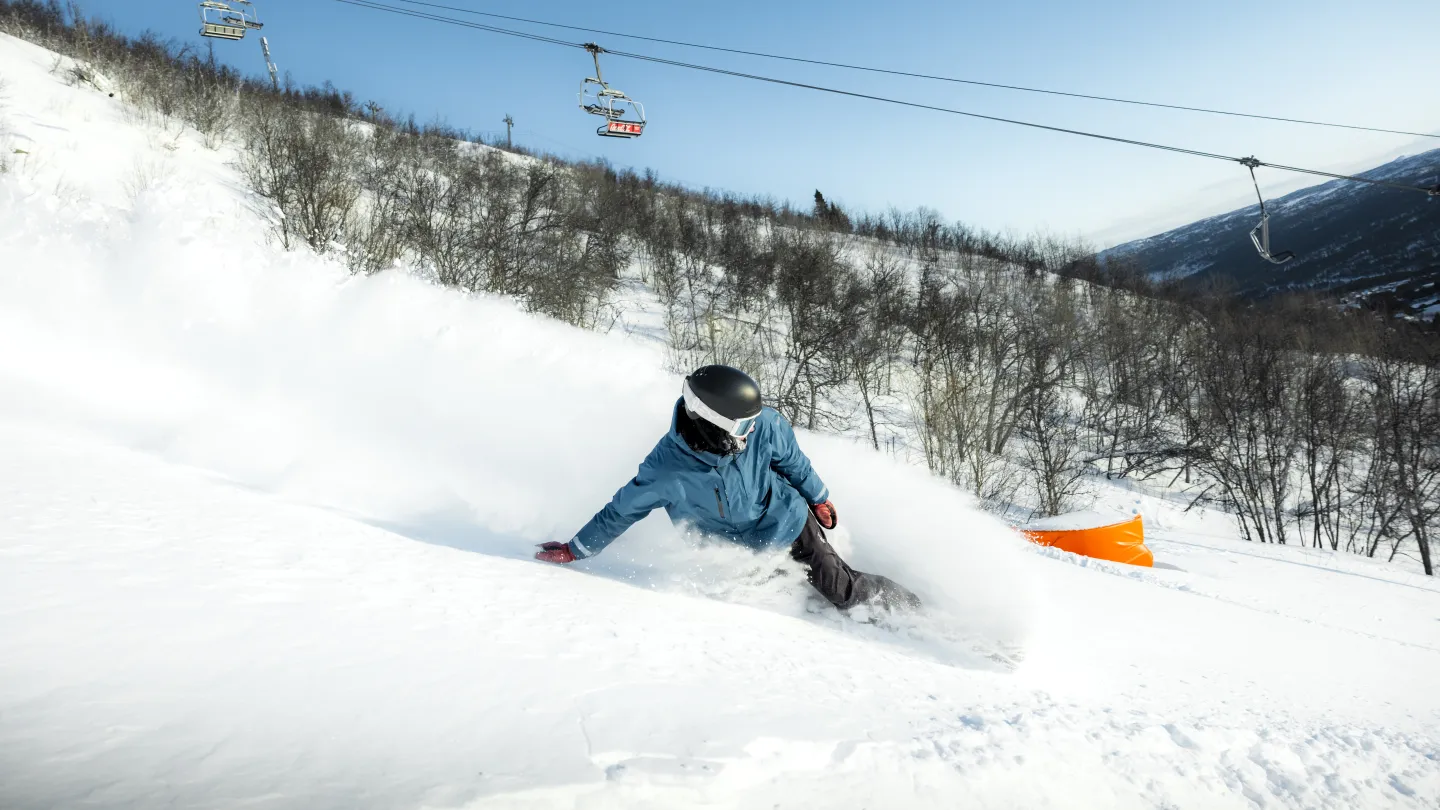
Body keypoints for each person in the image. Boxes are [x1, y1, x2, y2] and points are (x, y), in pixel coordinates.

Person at [536, 364, 920, 612]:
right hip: (735, 550)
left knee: (840, 591)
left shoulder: (764, 426)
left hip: (785, 519)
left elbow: (792, 462)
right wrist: (576, 549)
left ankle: (907, 606)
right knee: (787, 601)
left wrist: (818, 498)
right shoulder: (666, 469)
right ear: (708, 422)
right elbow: (621, 511)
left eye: (752, 421)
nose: (751, 430)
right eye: (741, 426)